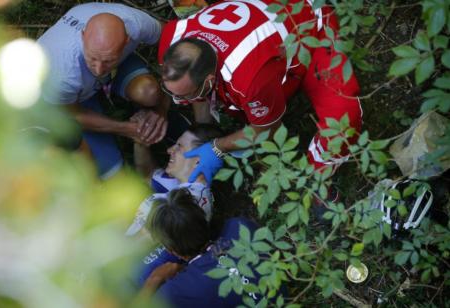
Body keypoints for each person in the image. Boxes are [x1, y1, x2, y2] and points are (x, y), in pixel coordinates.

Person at [157, 0, 363, 185]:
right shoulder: (172, 38)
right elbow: (192, 89)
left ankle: (318, 176)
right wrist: (201, 132)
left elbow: (268, 129)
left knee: (343, 118)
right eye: (171, 91)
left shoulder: (249, 79)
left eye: (184, 95)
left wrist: (217, 147)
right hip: (264, 24)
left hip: (309, 31)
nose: (176, 100)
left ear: (210, 80)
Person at [37, 3, 170, 179]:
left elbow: (172, 38)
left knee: (149, 93)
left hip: (107, 74)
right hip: (63, 102)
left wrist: (162, 108)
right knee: (109, 171)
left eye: (108, 60)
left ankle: (144, 113)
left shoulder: (136, 24)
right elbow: (73, 115)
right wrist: (127, 129)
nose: (99, 70)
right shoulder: (62, 71)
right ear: (83, 37)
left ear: (126, 41)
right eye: (93, 59)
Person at [138, 188, 272, 307]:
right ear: (203, 218)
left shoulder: (175, 292)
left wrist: (153, 280)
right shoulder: (240, 227)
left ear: (172, 251)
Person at [126, 123, 223, 237]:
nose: (169, 150)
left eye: (179, 146)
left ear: (199, 160)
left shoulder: (191, 205)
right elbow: (147, 174)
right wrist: (140, 141)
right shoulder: (185, 187)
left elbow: (149, 240)